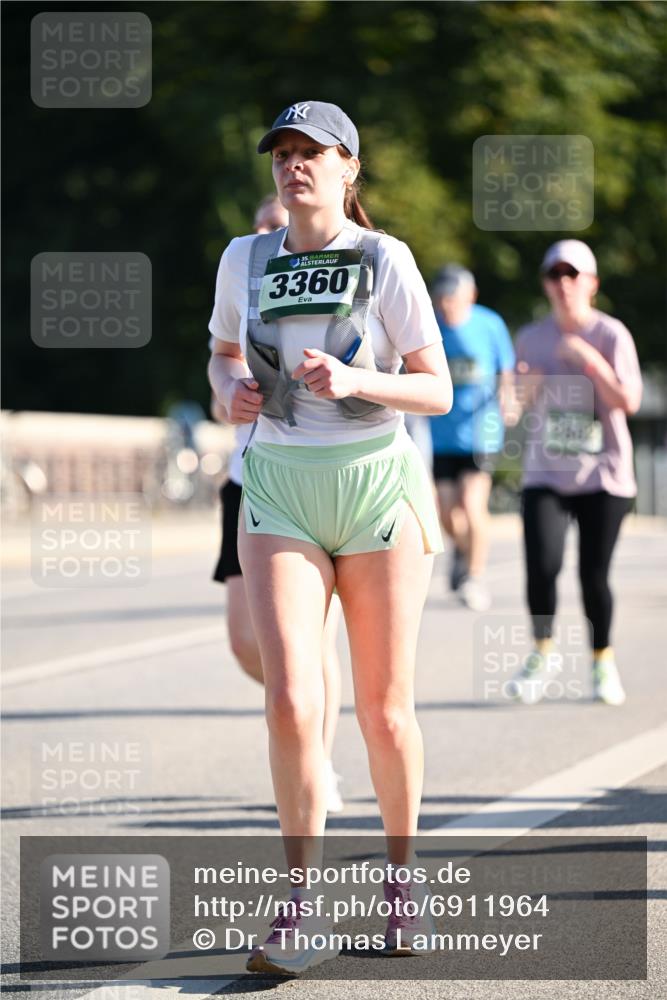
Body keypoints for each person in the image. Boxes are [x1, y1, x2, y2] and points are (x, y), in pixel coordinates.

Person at [207, 100, 452, 974]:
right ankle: (299, 907)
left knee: (384, 712)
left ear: (350, 170)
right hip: (278, 486)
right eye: (283, 151)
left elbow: (437, 391)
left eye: (314, 152)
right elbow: (222, 359)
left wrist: (357, 376)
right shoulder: (246, 257)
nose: (294, 164)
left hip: (375, 490)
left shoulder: (384, 259)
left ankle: (400, 884)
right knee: (290, 701)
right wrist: (227, 393)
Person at [211, 194, 344, 814]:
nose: (272, 232)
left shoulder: (332, 279)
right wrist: (229, 393)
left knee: (311, 648)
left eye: (277, 224)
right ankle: (299, 716)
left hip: (318, 480)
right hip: (248, 479)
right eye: (263, 224)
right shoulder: (240, 276)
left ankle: (314, 760)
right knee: (244, 643)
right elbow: (221, 370)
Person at [510, 240, 642, 707]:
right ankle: (542, 654)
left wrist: (589, 362)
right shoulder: (530, 338)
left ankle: (601, 660)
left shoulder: (611, 334)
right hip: (546, 470)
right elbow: (512, 411)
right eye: (555, 274)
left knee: (593, 575)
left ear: (592, 283)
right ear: (546, 283)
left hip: (603, 475)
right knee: (542, 566)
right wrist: (521, 388)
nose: (563, 284)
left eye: (573, 274)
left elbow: (629, 402)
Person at [428, 265, 515, 611]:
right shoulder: (431, 324)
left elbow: (505, 371)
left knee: (472, 504)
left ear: (471, 296)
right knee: (447, 512)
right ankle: (463, 553)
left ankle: (474, 577)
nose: (447, 307)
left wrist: (508, 401)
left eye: (454, 300)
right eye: (442, 300)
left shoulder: (489, 324)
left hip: (482, 430)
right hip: (441, 433)